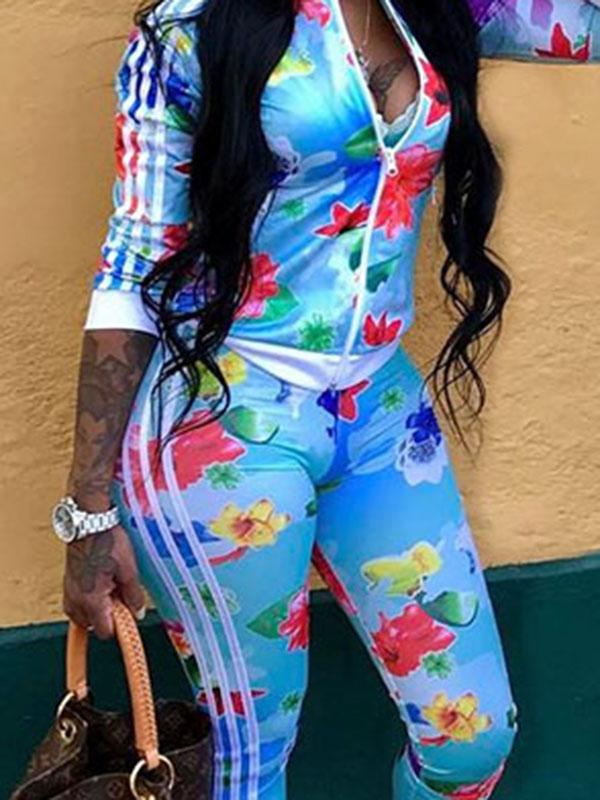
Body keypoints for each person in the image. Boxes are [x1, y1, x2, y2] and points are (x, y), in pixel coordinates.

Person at [53, 1, 600, 798]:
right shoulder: (192, 29)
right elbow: (133, 267)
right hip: (220, 425)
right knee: (247, 771)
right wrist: (88, 511)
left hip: (378, 411)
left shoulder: (443, 6)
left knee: (472, 740)